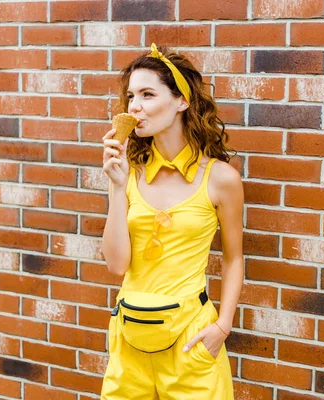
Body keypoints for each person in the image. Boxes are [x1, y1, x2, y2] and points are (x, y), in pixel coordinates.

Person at [99, 43, 244, 400]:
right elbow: (117, 265)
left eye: (148, 94)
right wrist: (118, 188)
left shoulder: (220, 178)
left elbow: (233, 257)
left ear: (182, 101)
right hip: (130, 341)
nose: (134, 106)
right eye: (131, 95)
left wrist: (222, 327)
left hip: (191, 341)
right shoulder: (127, 175)